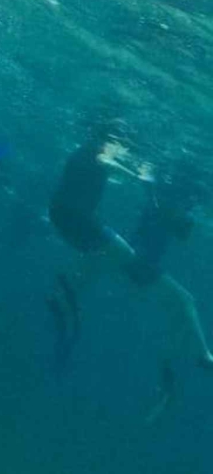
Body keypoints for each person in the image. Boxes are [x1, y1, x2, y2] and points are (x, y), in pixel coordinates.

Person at [46, 123, 213, 378]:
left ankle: (68, 288)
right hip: (112, 243)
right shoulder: (97, 152)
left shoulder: (87, 154)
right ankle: (194, 358)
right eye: (122, 145)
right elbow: (105, 161)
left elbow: (179, 229)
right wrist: (138, 176)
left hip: (80, 224)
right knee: (180, 298)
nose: (124, 151)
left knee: (107, 259)